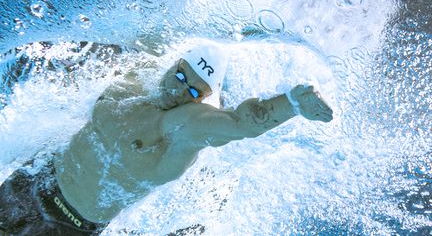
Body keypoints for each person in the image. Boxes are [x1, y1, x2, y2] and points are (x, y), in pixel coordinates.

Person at [0, 40, 333, 235]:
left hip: (67, 225)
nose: (177, 90)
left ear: (201, 100)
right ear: (173, 63)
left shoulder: (182, 126)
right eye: (178, 76)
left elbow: (240, 123)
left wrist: (291, 104)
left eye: (191, 90)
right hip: (33, 181)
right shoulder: (134, 83)